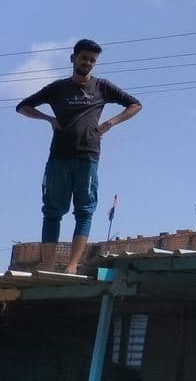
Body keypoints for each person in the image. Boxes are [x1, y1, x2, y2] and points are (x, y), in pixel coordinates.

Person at [16, 39, 142, 273]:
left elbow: (135, 104)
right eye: (84, 58)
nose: (88, 63)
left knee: (84, 210)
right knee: (52, 210)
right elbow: (23, 106)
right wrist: (49, 119)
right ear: (73, 58)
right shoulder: (57, 88)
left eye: (92, 60)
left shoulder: (102, 87)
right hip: (59, 157)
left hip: (88, 156)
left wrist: (111, 123)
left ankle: (72, 265)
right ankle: (48, 263)